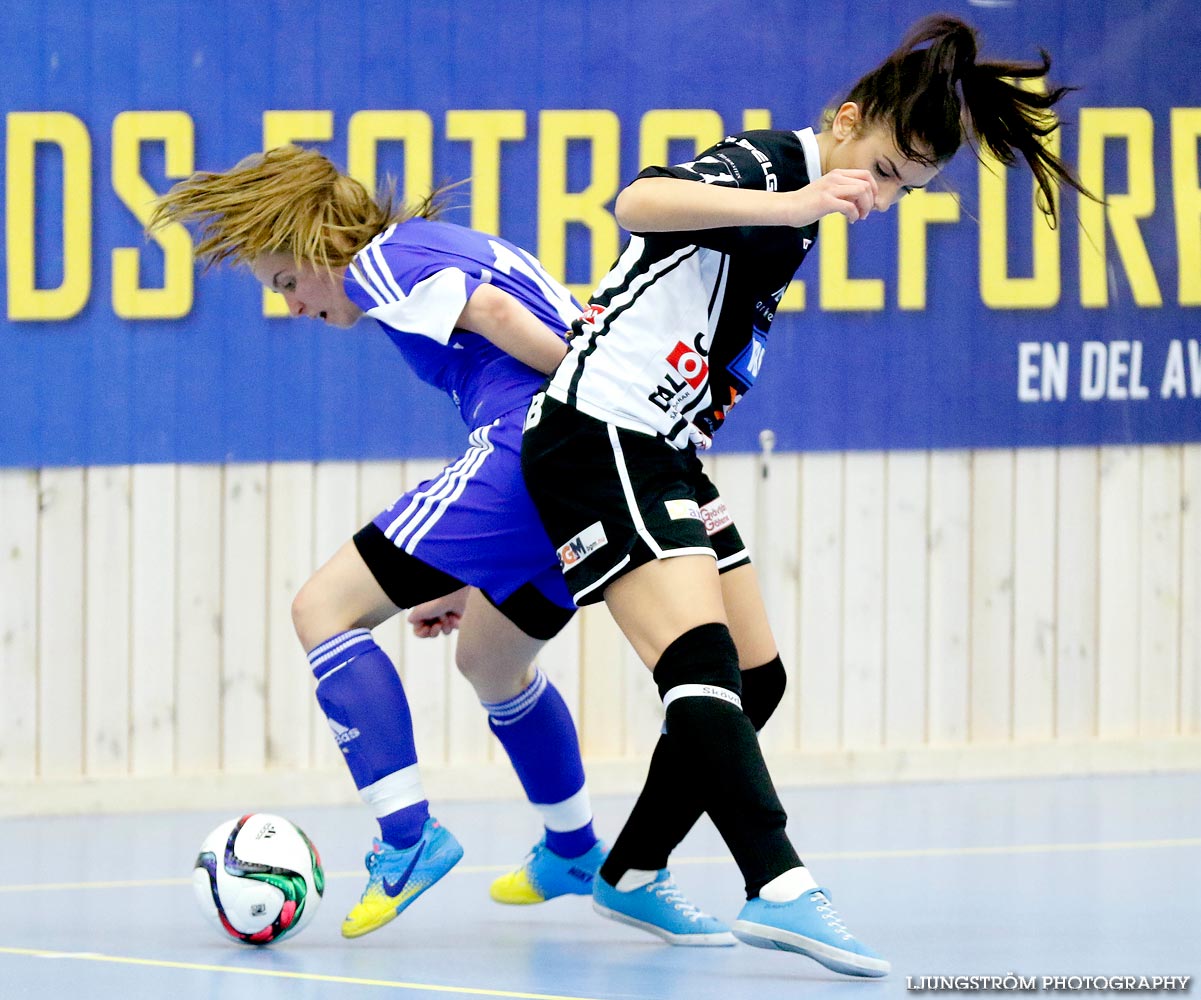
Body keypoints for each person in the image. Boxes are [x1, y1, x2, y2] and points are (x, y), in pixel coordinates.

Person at [520, 14, 1096, 978]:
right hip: (599, 434)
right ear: (846, 118)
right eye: (880, 171)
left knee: (757, 678)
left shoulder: (812, 199)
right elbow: (635, 202)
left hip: (663, 448)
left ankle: (631, 867)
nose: (878, 199)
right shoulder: (764, 167)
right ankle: (778, 884)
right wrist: (794, 204)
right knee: (698, 662)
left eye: (902, 191)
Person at [148, 146, 627, 939]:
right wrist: (472, 567)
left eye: (286, 283)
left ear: (313, 242)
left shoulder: (379, 263)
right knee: (490, 660)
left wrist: (589, 397)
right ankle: (573, 848)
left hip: (531, 445)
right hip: (577, 480)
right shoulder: (437, 244)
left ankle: (408, 838)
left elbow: (501, 321)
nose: (293, 306)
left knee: (322, 609)